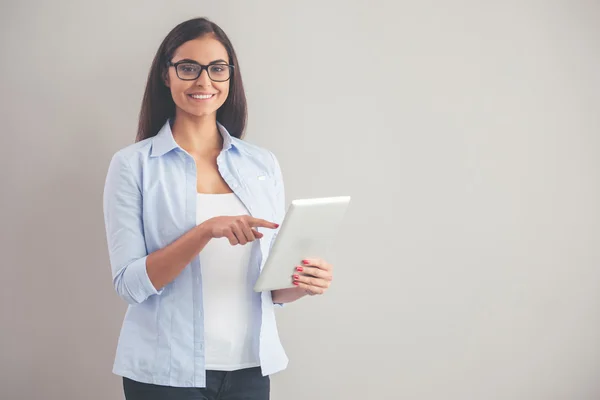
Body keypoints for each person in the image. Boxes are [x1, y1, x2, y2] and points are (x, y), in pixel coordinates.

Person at [102, 16, 334, 400]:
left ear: (230, 76)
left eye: (217, 69)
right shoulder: (133, 165)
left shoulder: (261, 164)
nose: (204, 82)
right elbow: (130, 285)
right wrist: (204, 231)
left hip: (248, 369)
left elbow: (271, 289)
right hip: (164, 372)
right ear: (166, 74)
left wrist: (303, 284)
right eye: (188, 68)